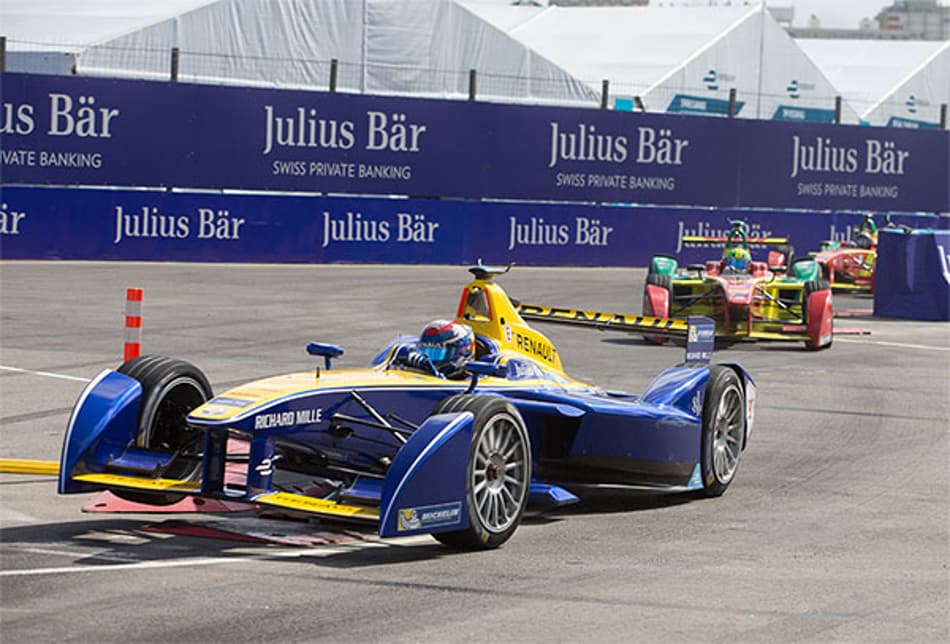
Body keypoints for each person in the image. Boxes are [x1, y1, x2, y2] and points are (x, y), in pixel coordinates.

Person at [396, 319, 475, 379]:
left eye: (439, 354)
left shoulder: (475, 379)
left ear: (464, 351)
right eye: (427, 352)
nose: (431, 361)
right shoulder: (422, 363)